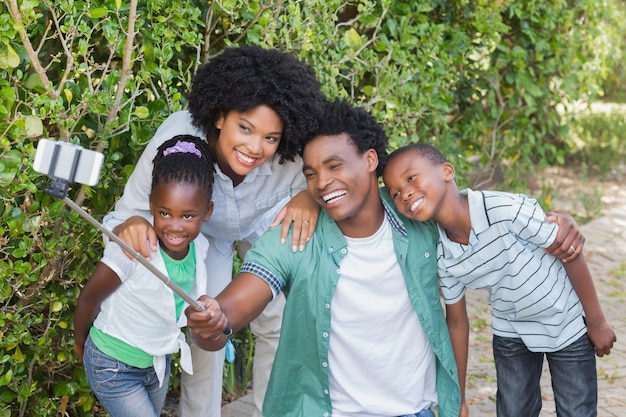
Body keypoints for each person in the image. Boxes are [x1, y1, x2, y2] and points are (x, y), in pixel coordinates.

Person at [185, 99, 463, 417]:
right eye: (311, 174)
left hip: (414, 410)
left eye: (334, 166)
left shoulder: (417, 220)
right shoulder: (295, 234)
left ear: (370, 160)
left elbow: (475, 224)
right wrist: (215, 320)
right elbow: (248, 290)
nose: (322, 182)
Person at [102, 46, 326, 416]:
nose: (255, 148)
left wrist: (308, 197)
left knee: (280, 320)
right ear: (220, 116)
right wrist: (133, 223)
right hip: (205, 235)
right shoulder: (175, 141)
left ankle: (273, 410)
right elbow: (126, 214)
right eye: (245, 128)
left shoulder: (296, 152)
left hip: (270, 222)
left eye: (271, 138)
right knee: (207, 323)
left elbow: (337, 173)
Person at [381, 143, 617, 417]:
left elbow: (569, 251)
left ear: (446, 171)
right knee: (513, 411)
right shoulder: (442, 253)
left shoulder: (504, 209)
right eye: (395, 193)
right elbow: (457, 322)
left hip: (563, 322)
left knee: (577, 410)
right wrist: (458, 395)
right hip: (511, 330)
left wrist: (597, 322)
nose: (405, 193)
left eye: (411, 178)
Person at [74, 135, 215, 417]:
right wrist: (81, 343)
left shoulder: (200, 247)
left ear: (207, 212)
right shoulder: (133, 250)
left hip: (155, 365)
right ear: (151, 206)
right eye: (165, 213)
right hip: (113, 364)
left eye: (188, 216)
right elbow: (90, 297)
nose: (175, 226)